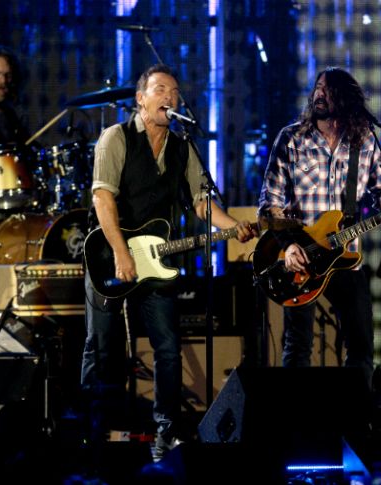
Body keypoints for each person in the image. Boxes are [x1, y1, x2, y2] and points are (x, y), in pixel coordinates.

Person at [81, 64, 257, 463]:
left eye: (175, 92)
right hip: (110, 255)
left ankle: (166, 429)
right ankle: (94, 433)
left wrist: (234, 227)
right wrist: (122, 255)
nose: (169, 97)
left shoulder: (183, 146)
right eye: (160, 89)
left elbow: (201, 202)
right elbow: (102, 199)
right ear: (140, 98)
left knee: (167, 348)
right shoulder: (116, 138)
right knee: (103, 346)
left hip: (156, 260)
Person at [258, 66, 381, 390]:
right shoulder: (291, 138)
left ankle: (356, 420)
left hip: (346, 255)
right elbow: (269, 202)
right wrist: (288, 244)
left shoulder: (364, 141)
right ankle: (295, 425)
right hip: (300, 255)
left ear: (346, 97)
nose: (319, 94)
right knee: (298, 345)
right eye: (317, 87)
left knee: (361, 344)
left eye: (328, 89)